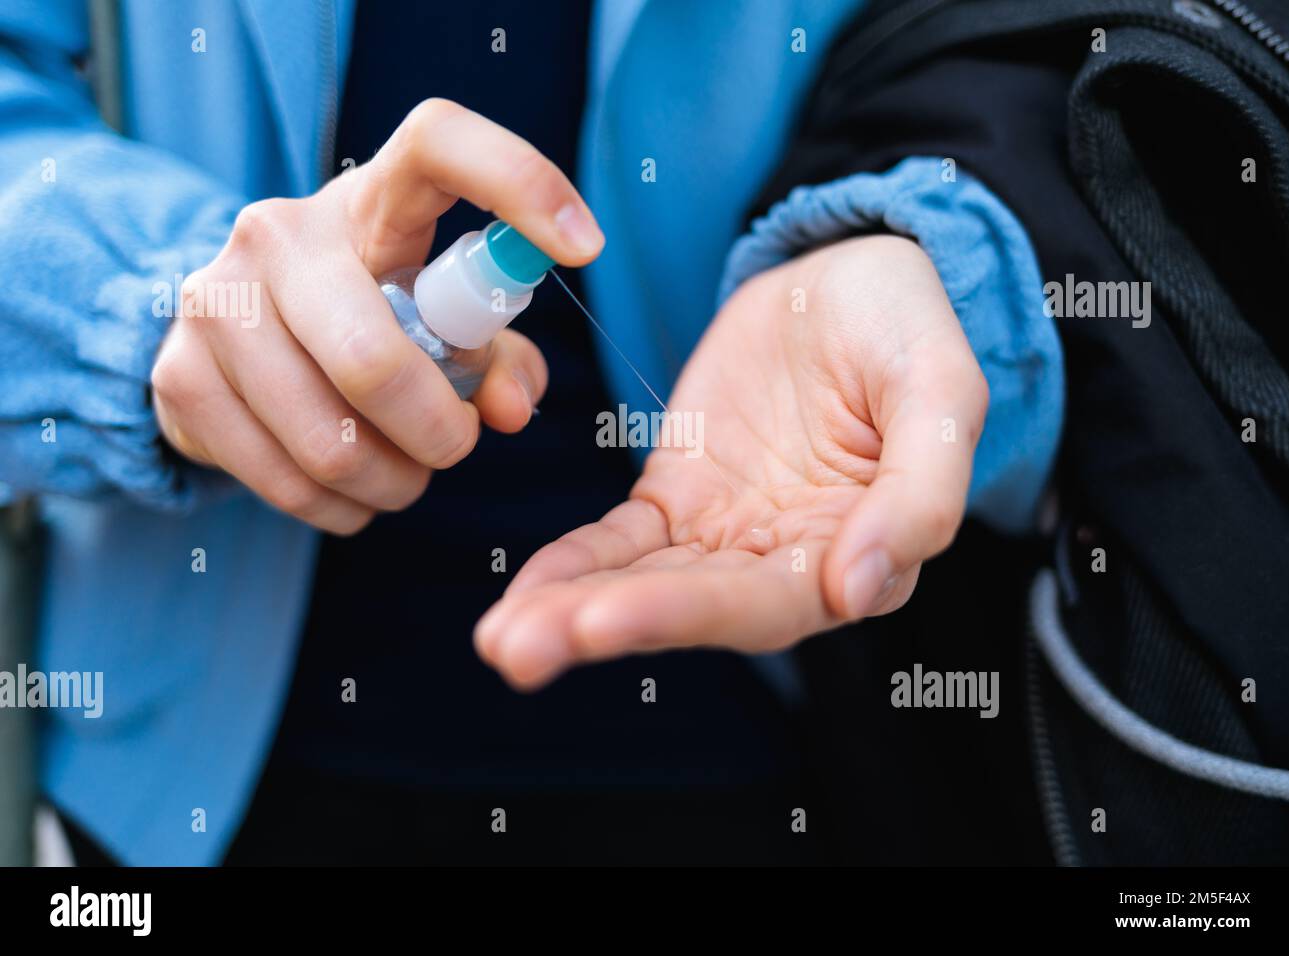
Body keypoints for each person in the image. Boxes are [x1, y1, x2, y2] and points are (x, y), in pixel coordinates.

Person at [0, 0, 1061, 864]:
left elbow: (1044, 65)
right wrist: (150, 308)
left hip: (797, 743)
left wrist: (937, 266)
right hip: (183, 784)